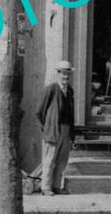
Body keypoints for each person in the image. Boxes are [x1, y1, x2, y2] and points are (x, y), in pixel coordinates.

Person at [36, 61, 75, 196]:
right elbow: (39, 112)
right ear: (58, 74)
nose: (65, 77)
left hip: (66, 130)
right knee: (50, 159)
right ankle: (46, 188)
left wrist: (71, 133)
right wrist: (46, 128)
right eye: (63, 74)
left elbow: (71, 113)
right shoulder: (51, 89)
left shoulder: (69, 91)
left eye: (68, 74)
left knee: (62, 160)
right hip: (53, 130)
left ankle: (57, 186)